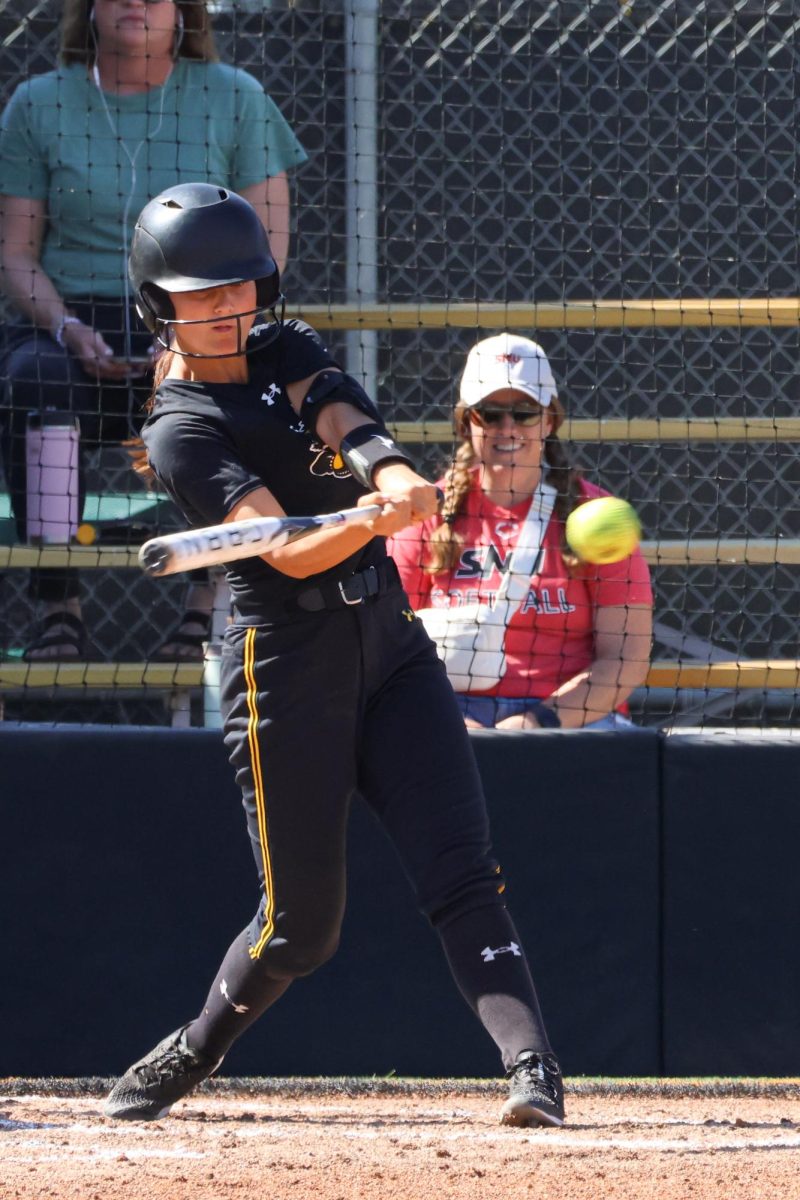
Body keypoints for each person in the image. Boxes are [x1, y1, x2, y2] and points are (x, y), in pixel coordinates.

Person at [104, 182, 565, 1129]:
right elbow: (281, 546)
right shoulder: (181, 429)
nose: (231, 306)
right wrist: (365, 520)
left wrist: (394, 482)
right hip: (284, 668)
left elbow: (348, 424)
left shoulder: (285, 343)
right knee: (300, 930)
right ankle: (195, 1048)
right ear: (161, 305)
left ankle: (533, 1069)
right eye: (205, 293)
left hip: (388, 641)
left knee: (462, 868)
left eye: (242, 286)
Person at [0, 0, 306, 659]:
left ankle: (209, 609)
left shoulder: (236, 98)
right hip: (73, 321)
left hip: (202, 316)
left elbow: (269, 248)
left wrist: (198, 333)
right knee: (31, 379)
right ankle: (60, 609)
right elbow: (15, 253)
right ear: (88, 10)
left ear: (185, 12)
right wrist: (66, 326)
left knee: (250, 385)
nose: (135, 2)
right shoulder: (37, 104)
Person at [389, 334, 653, 731]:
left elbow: (625, 660)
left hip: (570, 715)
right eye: (490, 413)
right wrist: (452, 724)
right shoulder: (427, 512)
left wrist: (538, 721)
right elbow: (389, 647)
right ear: (467, 422)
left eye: (525, 412)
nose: (508, 427)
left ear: (548, 421)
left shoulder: (596, 514)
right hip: (450, 710)